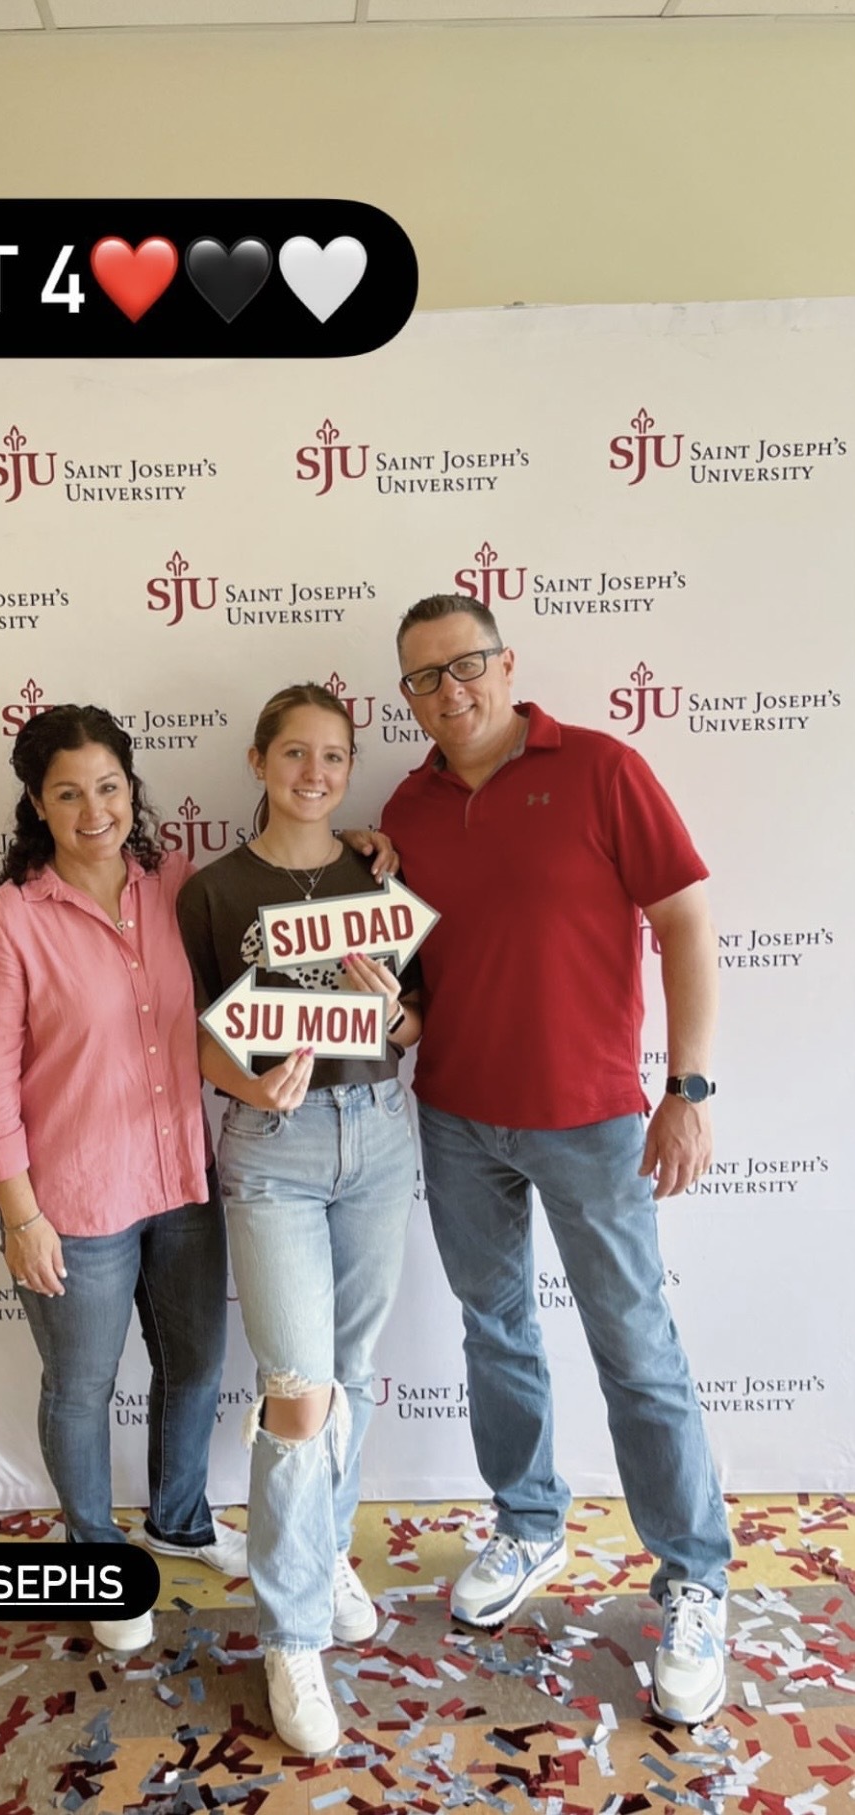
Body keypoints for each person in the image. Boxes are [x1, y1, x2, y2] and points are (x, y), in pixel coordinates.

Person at [380, 597, 733, 1729]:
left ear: (506, 664)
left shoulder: (599, 769)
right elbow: (420, 975)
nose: (450, 692)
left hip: (590, 1120)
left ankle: (692, 1576)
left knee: (635, 1345)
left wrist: (687, 1090)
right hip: (456, 1117)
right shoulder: (406, 807)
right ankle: (528, 1522)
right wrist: (385, 1011)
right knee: (496, 1333)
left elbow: (686, 921)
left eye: (466, 665)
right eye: (424, 679)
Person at [0, 704, 247, 1656]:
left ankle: (180, 1521)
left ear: (131, 788)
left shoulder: (176, 887)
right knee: (80, 1386)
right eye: (68, 794)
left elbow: (260, 924)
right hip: (71, 1204)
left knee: (195, 1367)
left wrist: (359, 850)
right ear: (36, 804)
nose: (94, 810)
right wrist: (19, 1215)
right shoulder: (3, 924)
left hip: (180, 1183)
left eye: (108, 787)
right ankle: (95, 1559)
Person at [176, 683, 421, 1757]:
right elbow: (187, 1036)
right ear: (258, 758)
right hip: (272, 1149)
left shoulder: (378, 876)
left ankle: (321, 1562)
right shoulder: (215, 889)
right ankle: (288, 1636)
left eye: (333, 756)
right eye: (294, 754)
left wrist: (386, 1000)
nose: (314, 773)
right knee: (296, 1395)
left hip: (379, 1133)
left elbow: (413, 1024)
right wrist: (249, 1077)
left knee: (351, 1376)